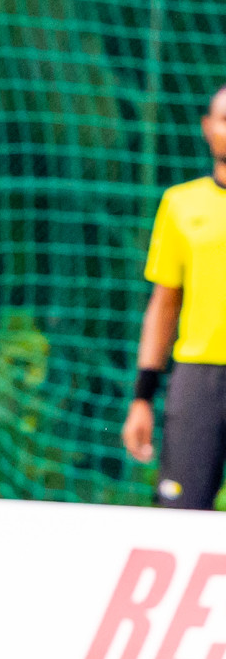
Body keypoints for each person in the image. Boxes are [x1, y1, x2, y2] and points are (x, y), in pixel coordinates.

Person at [123, 83, 226, 508]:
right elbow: (164, 305)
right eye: (225, 119)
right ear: (207, 128)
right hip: (198, 379)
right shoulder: (181, 205)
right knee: (180, 515)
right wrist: (142, 398)